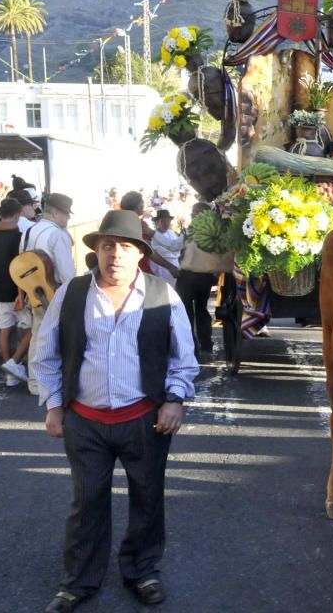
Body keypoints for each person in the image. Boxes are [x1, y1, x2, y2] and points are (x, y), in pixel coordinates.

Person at [35, 210, 198, 613]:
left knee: (147, 498)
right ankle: (77, 583)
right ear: (97, 251)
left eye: (125, 247)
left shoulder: (163, 294)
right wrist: (55, 406)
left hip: (145, 418)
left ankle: (142, 572)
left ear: (139, 254)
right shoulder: (72, 294)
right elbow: (45, 355)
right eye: (108, 246)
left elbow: (185, 357)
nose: (116, 255)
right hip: (85, 420)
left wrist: (174, 399)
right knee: (86, 501)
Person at [21, 193, 77, 398]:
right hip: (55, 292)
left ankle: (35, 382)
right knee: (59, 338)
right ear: (55, 212)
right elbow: (66, 272)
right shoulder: (57, 234)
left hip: (32, 291)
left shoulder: (29, 230)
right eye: (66, 215)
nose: (68, 220)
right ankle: (49, 381)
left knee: (38, 336)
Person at [0, 198, 32, 386]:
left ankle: (10, 375)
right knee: (32, 328)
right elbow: (19, 268)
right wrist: (21, 294)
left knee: (5, 330)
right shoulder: (18, 236)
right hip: (15, 289)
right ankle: (15, 362)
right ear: (17, 214)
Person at [176, 202, 218, 358]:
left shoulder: (197, 232)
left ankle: (197, 347)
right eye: (193, 211)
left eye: (195, 212)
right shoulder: (209, 232)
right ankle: (202, 346)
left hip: (191, 276)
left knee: (190, 312)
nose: (192, 214)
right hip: (200, 276)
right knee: (198, 311)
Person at [119, 191, 179, 279]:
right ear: (137, 206)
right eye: (142, 204)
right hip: (138, 271)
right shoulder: (139, 225)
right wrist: (170, 267)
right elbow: (149, 251)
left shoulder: (120, 223)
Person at [149, 210, 182, 287]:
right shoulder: (153, 235)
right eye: (163, 221)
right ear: (157, 222)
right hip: (163, 267)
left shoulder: (171, 233)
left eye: (168, 221)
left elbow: (177, 249)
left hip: (176, 265)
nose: (166, 223)